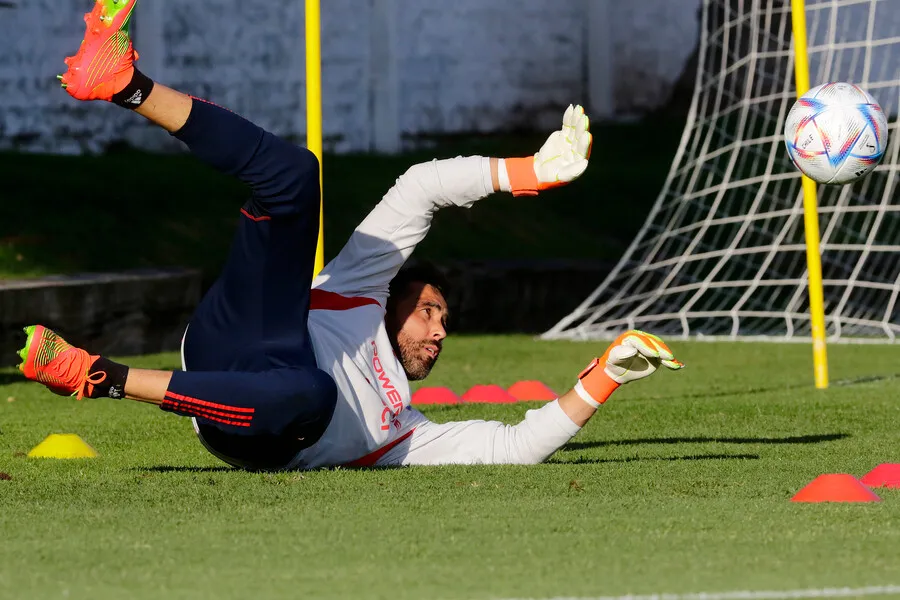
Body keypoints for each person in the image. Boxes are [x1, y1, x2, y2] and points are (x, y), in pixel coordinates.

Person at [17, 0, 684, 471]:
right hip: (237, 335)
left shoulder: (401, 433)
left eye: (444, 319)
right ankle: (121, 80)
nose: (439, 331)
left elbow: (516, 447)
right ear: (391, 302)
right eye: (427, 310)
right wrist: (532, 170)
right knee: (294, 176)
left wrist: (605, 378)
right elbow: (422, 186)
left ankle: (97, 376)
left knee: (311, 393)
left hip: (259, 426)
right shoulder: (358, 289)